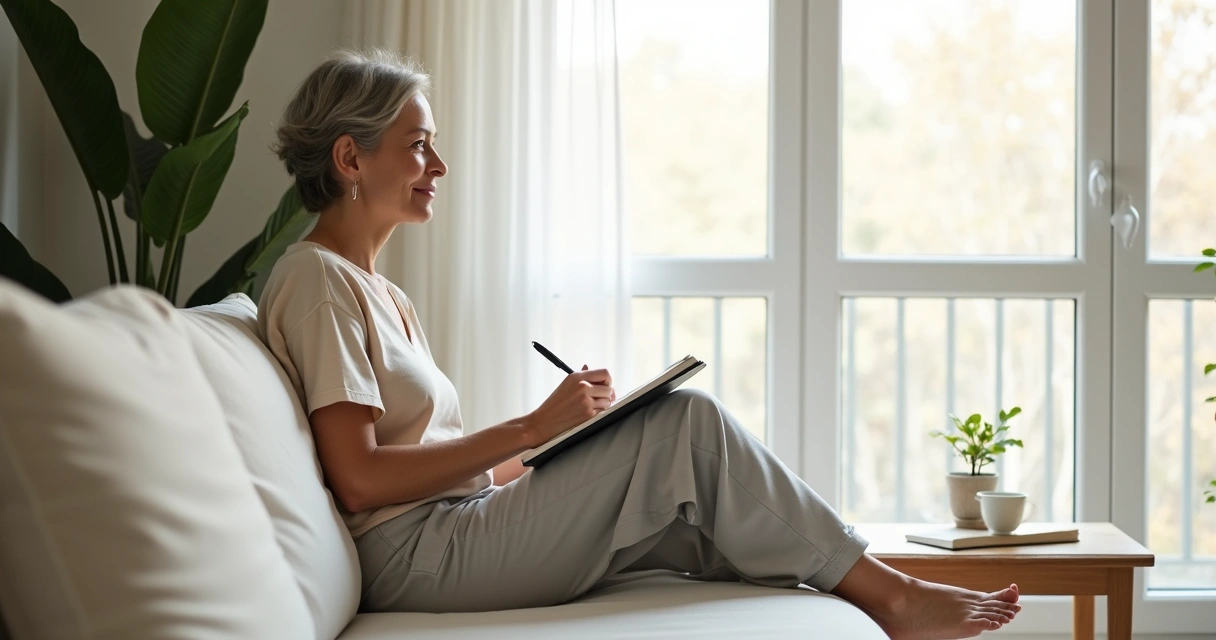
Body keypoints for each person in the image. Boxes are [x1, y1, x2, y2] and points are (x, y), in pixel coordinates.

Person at [257, 49, 1021, 640]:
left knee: (690, 505)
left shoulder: (380, 290)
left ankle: (863, 591)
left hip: (447, 526)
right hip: (416, 558)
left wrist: (559, 445)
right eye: (418, 146)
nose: (439, 167)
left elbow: (435, 462)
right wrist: (532, 426)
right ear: (350, 159)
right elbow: (357, 480)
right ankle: (895, 598)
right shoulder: (318, 281)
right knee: (687, 424)